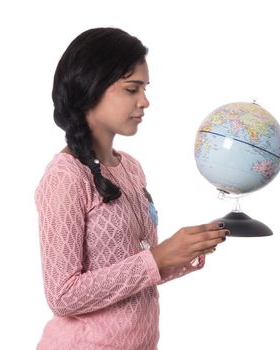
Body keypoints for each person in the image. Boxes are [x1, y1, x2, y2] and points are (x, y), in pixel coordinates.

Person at [35, 27, 229, 350]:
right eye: (131, 89)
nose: (145, 101)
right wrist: (157, 256)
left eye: (145, 88)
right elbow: (62, 295)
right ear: (91, 89)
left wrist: (184, 251)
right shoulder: (66, 177)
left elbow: (135, 276)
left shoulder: (131, 168)